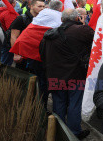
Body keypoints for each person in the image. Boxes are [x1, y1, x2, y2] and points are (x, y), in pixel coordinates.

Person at [40, 9, 93, 140]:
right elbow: (96, 40)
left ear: (62, 19)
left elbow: (42, 53)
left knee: (59, 104)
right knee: (75, 105)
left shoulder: (50, 33)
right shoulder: (82, 30)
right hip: (76, 76)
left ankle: (59, 131)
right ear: (77, 18)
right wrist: (82, 24)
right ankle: (74, 133)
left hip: (55, 76)